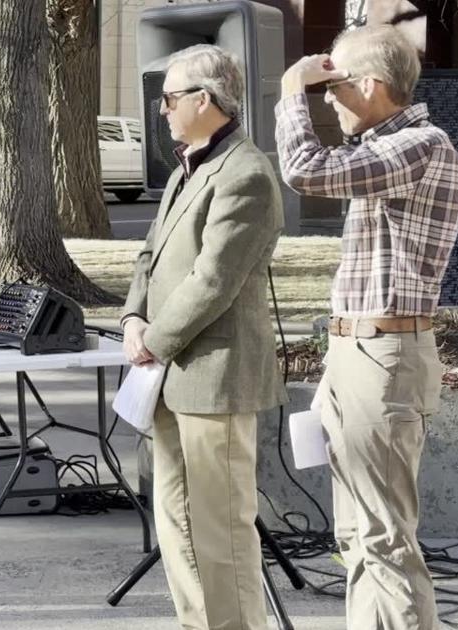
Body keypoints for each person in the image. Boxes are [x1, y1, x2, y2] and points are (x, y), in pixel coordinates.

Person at [275, 25, 458, 630]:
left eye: (334, 87)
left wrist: (289, 93)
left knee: (383, 539)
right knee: (357, 533)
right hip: (359, 351)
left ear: (370, 85)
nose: (326, 99)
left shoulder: (421, 145)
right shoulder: (386, 150)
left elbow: (305, 170)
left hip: (383, 354)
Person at [120, 44, 286, 630]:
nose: (160, 109)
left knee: (221, 527)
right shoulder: (187, 164)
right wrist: (132, 319)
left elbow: (214, 278)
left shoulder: (245, 172)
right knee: (175, 518)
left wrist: (153, 340)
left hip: (214, 376)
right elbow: (150, 254)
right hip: (167, 373)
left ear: (204, 99)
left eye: (168, 97)